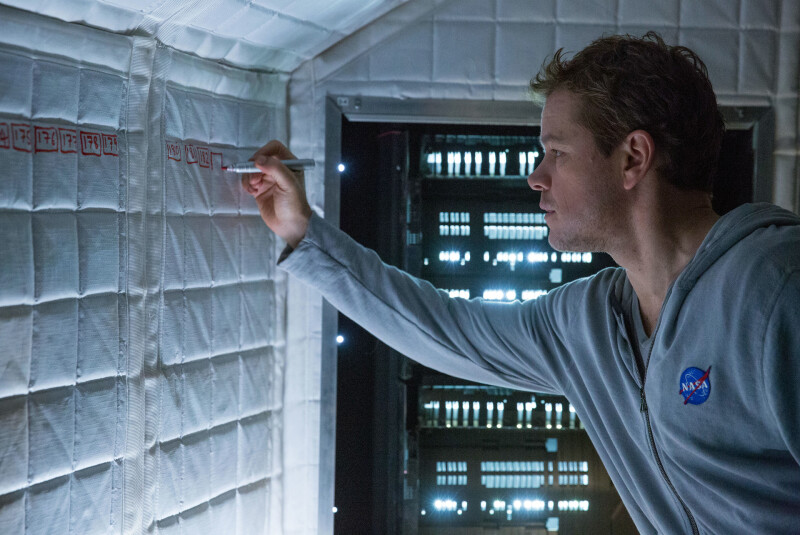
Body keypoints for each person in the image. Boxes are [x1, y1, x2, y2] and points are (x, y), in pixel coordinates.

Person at [242, 32, 800, 534]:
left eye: (557, 152)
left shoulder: (774, 289)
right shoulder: (589, 323)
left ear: (632, 158)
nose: (536, 177)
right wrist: (305, 233)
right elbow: (442, 329)